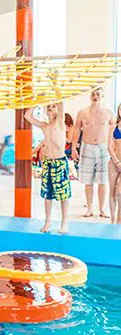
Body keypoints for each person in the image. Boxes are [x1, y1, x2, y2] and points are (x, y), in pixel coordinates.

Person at [25, 102, 70, 234]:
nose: (50, 108)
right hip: (48, 163)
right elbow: (28, 116)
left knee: (63, 195)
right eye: (48, 107)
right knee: (47, 194)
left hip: (59, 162)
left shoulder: (60, 123)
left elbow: (61, 103)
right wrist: (36, 102)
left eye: (53, 106)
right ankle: (48, 221)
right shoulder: (45, 126)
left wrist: (55, 84)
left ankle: (64, 223)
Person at [72, 87, 115, 218]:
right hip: (87, 147)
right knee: (88, 180)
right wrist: (74, 147)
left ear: (103, 96)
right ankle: (89, 208)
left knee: (103, 181)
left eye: (98, 94)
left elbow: (115, 133)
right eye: (93, 94)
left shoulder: (108, 113)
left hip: (104, 148)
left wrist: (114, 149)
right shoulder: (82, 113)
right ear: (90, 97)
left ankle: (102, 209)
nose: (95, 96)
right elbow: (77, 130)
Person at [108, 103, 121, 223]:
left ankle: (119, 219)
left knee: (119, 193)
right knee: (112, 190)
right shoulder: (114, 127)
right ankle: (112, 220)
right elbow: (109, 147)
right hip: (114, 162)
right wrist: (116, 162)